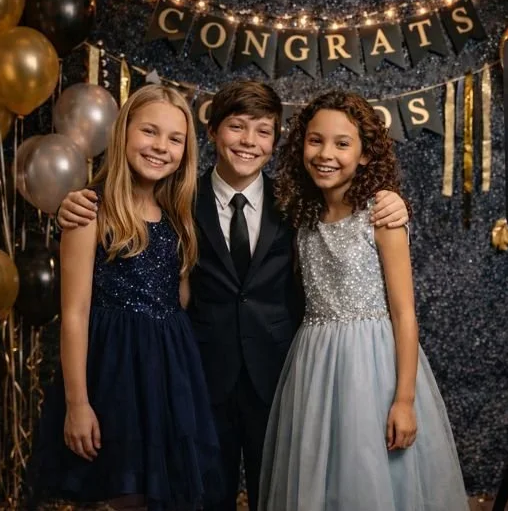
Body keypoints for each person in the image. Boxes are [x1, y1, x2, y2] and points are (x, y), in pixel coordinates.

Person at [56, 80, 410, 511]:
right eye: (236, 128)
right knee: (203, 497)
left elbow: (349, 209)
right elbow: (127, 211)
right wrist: (69, 204)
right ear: (211, 133)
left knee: (282, 495)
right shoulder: (179, 197)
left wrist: (392, 201)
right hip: (201, 374)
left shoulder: (298, 200)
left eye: (263, 132)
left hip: (281, 374)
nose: (248, 142)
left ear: (277, 141)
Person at [259, 91, 468, 511]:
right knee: (320, 474)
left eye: (342, 143)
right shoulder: (303, 216)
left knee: (371, 475)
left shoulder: (381, 214)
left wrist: (404, 400)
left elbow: (404, 312)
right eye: (315, 140)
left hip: (374, 366)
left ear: (366, 155)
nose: (325, 154)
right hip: (314, 364)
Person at [29, 85, 222, 510]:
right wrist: (78, 403)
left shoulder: (178, 217)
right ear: (123, 133)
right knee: (126, 492)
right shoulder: (89, 213)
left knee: (166, 495)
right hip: (115, 371)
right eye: (149, 132)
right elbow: (75, 315)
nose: (161, 147)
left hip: (171, 370)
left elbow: (181, 299)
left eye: (175, 139)